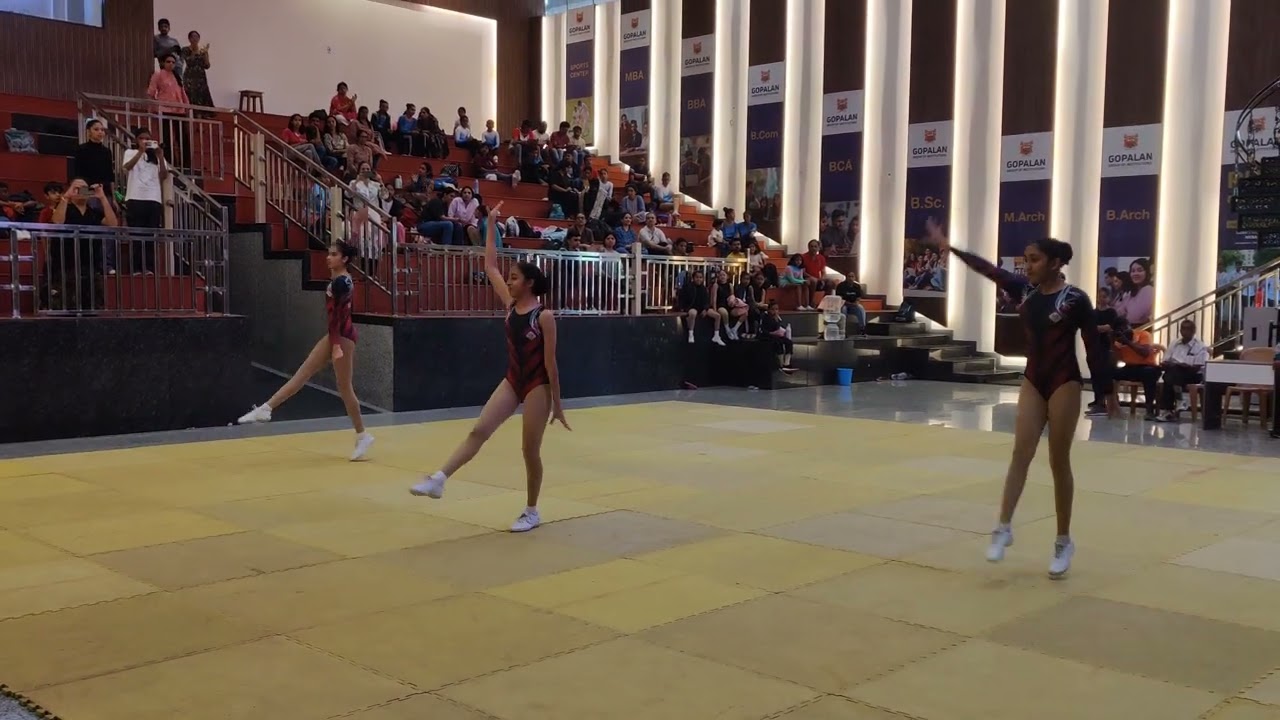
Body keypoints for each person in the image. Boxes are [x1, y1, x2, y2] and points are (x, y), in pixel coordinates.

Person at [946, 237, 1110, 579]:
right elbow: (987, 269)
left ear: (1055, 263)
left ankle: (1063, 541)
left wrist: (1104, 392)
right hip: (1034, 379)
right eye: (1025, 259)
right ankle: (1003, 527)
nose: (1027, 266)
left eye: (1034, 259)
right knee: (1020, 453)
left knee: (1058, 460)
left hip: (1064, 381)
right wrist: (951, 248)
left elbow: (1093, 345)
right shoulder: (1025, 291)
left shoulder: (1075, 299)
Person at [410, 202, 569, 533]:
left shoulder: (544, 317)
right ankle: (439, 478)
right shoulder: (510, 305)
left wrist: (558, 404)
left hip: (537, 385)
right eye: (509, 278)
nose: (508, 282)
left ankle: (531, 510)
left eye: (515, 278)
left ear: (529, 283)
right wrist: (492, 223)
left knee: (529, 451)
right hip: (513, 380)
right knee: (479, 430)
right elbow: (490, 265)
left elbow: (551, 363)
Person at [237, 241, 374, 461]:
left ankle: (363, 435)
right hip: (335, 335)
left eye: (333, 254)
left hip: (343, 337)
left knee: (345, 388)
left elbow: (338, 317)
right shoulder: (340, 279)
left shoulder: (342, 282)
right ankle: (266, 408)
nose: (328, 257)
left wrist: (336, 345)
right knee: (303, 373)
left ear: (344, 259)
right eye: (328, 254)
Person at [1156, 319, 1210, 422]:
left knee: (1170, 375)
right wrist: (1168, 364)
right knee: (1171, 374)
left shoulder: (1200, 346)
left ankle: (1169, 409)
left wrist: (1182, 365)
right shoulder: (1174, 343)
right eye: (1183, 329)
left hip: (1193, 374)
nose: (1185, 332)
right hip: (1175, 373)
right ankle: (1178, 402)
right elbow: (1166, 360)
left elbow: (1197, 367)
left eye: (1188, 329)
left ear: (1194, 331)